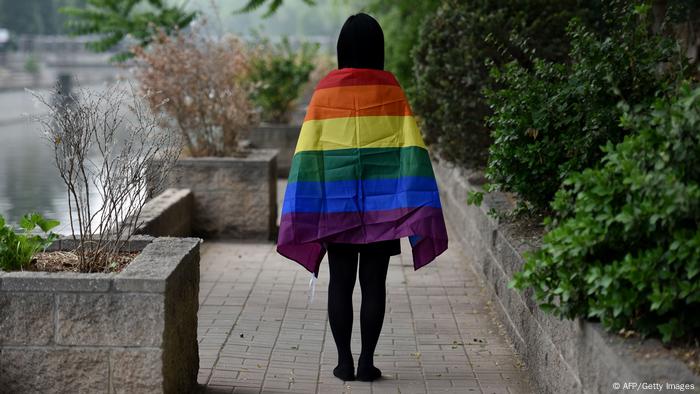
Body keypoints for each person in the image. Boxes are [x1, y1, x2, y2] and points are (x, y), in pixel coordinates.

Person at [276, 12, 448, 382]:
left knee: (340, 281)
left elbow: (309, 152)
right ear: (378, 48)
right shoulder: (390, 89)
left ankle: (343, 362)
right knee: (374, 283)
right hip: (383, 207)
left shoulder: (325, 90)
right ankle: (367, 361)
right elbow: (408, 147)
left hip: (336, 207)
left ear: (341, 49)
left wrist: (306, 205)